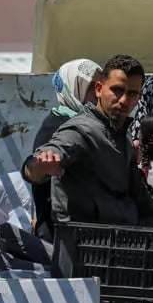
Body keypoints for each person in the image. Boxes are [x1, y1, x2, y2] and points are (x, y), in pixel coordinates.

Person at [23, 54, 153, 227]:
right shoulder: (80, 130)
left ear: (138, 98)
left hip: (123, 234)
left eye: (132, 93)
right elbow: (40, 162)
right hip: (86, 239)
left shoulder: (123, 137)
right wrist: (39, 166)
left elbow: (140, 196)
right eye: (117, 90)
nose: (124, 100)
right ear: (99, 89)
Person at [30, 58, 102, 241]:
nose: (98, 93)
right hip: (59, 237)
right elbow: (37, 170)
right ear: (74, 89)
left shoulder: (93, 125)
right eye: (91, 87)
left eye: (100, 86)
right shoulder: (58, 127)